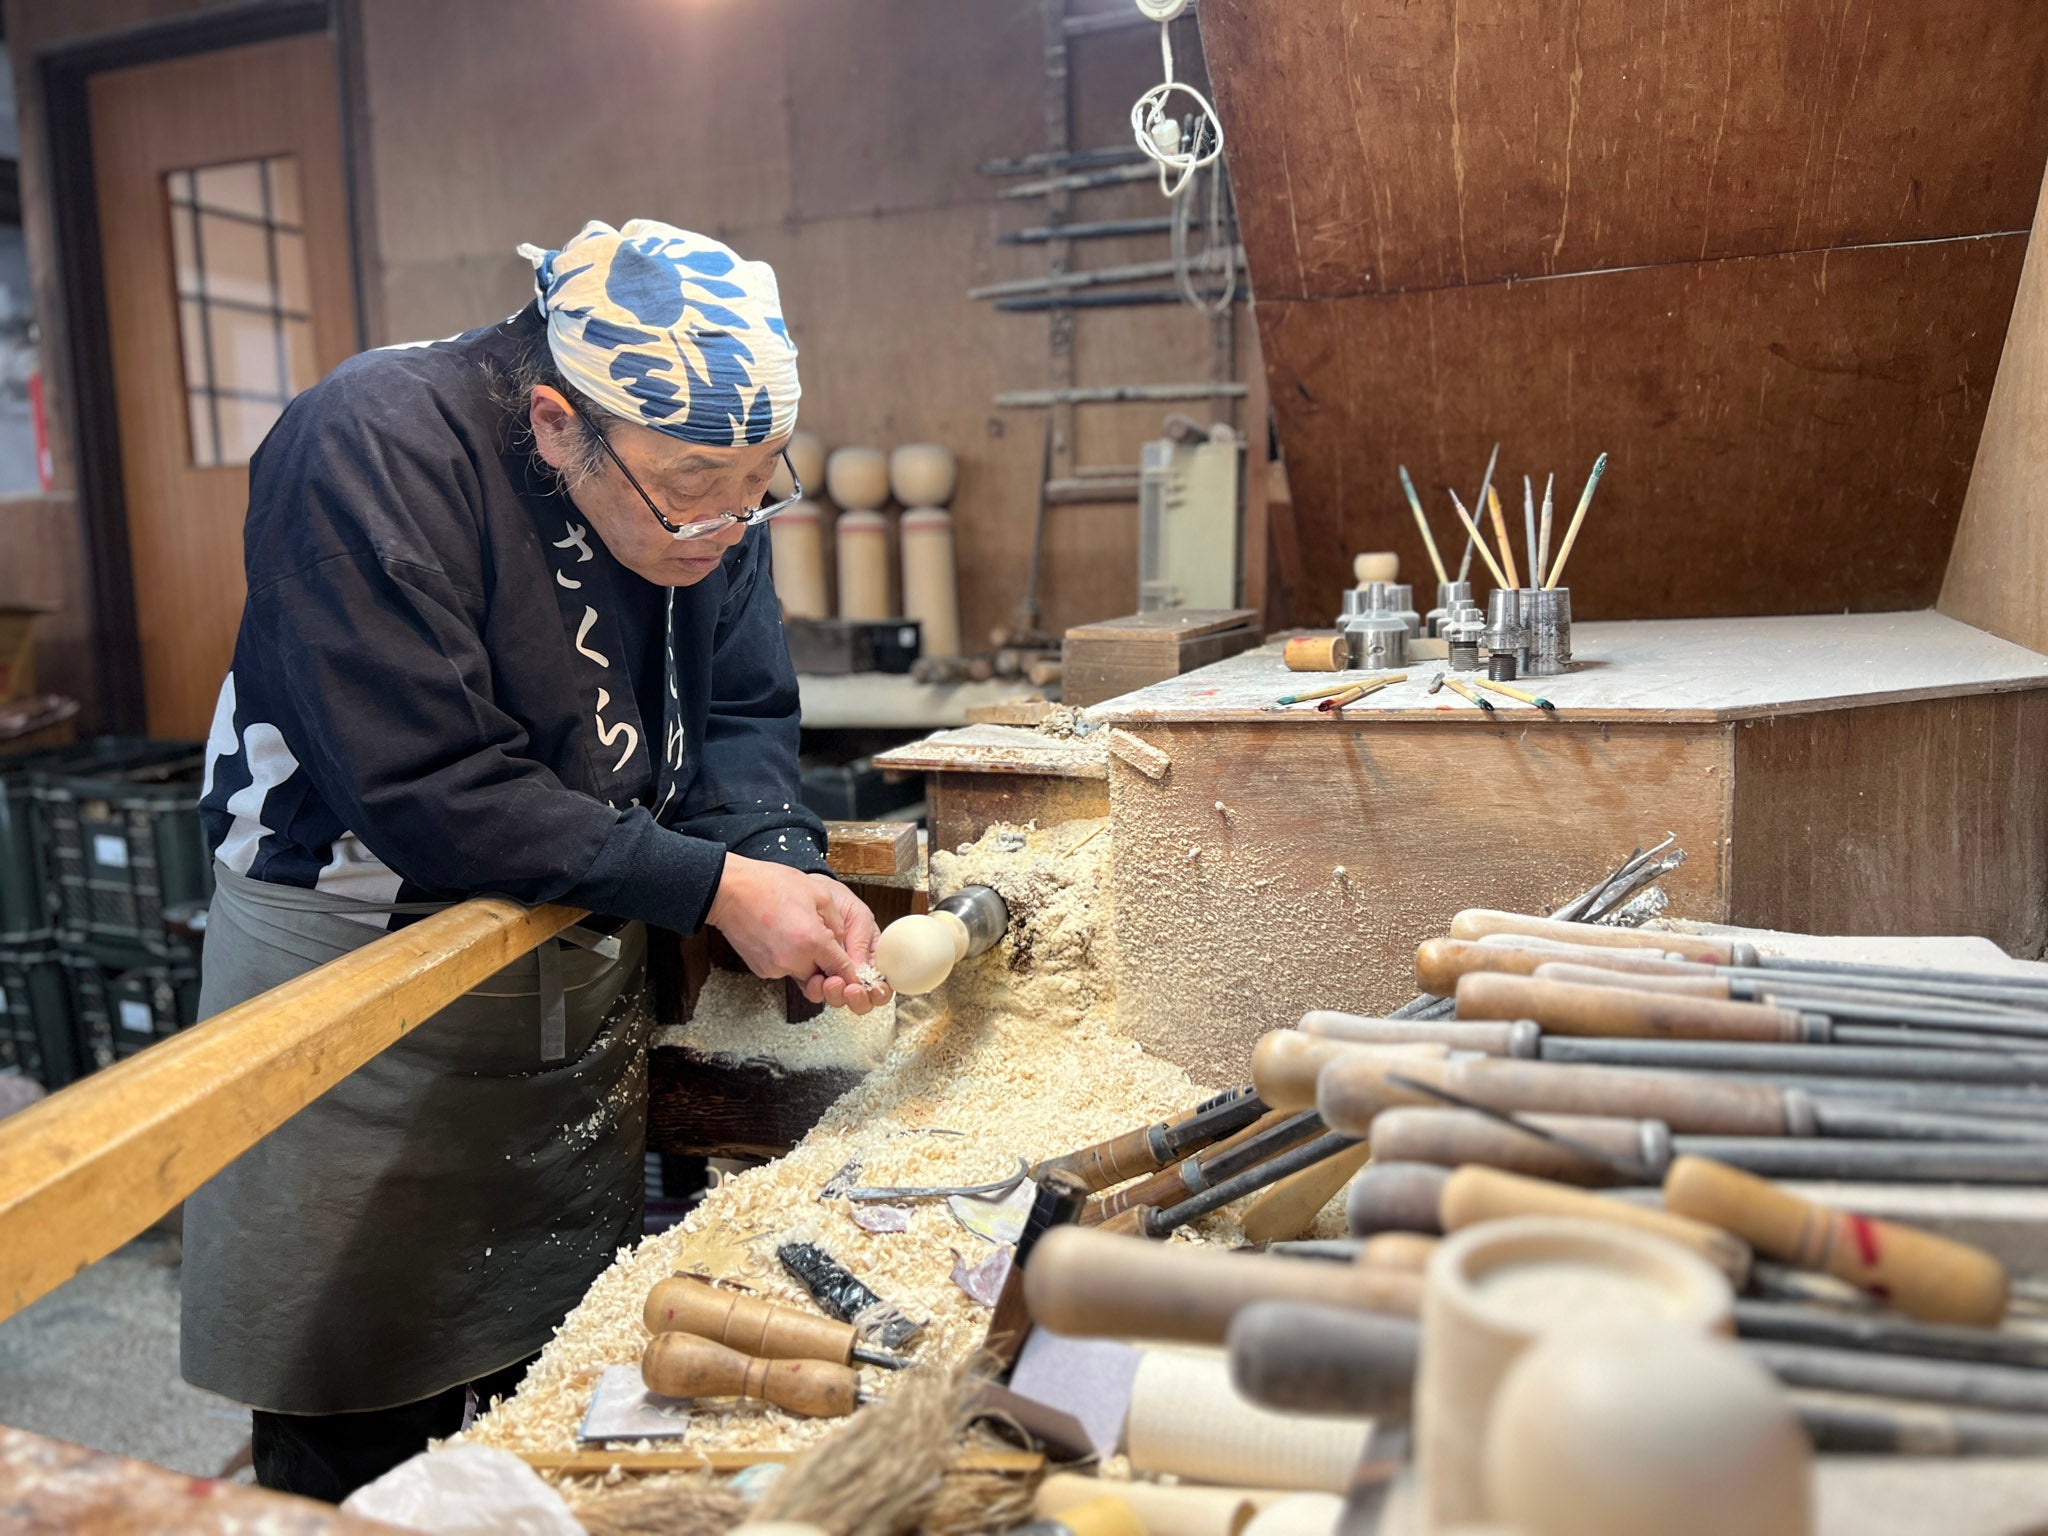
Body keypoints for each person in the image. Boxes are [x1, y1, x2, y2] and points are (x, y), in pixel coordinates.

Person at [182, 219, 889, 1501]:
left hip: (576, 926)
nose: (727, 524)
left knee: (557, 1371)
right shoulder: (373, 445)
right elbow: (429, 789)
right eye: (692, 490)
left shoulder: (704, 475)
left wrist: (775, 856)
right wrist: (715, 888)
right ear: (559, 421)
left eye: (761, 485)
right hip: (355, 952)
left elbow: (733, 710)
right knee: (357, 1406)